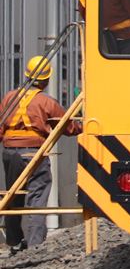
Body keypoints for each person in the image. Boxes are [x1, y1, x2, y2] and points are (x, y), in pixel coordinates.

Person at [1, 56, 81, 254]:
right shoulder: (46, 102)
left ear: (27, 75)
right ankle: (35, 246)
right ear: (46, 80)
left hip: (10, 154)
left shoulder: (9, 97)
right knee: (37, 197)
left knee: (12, 196)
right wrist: (83, 125)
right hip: (33, 154)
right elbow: (68, 127)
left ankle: (14, 241)